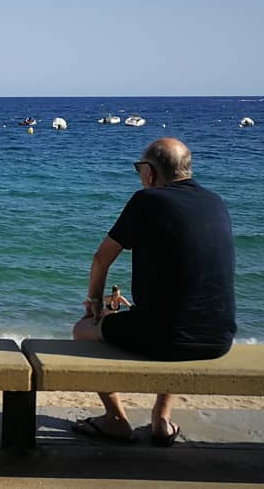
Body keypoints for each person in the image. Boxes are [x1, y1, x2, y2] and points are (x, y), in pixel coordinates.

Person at [72, 138, 236, 447]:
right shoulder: (215, 201)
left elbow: (102, 258)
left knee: (82, 331)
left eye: (138, 169)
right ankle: (162, 418)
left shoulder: (148, 200)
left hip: (165, 337)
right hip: (219, 337)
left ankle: (116, 420)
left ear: (149, 172)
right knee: (177, 316)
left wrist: (94, 303)